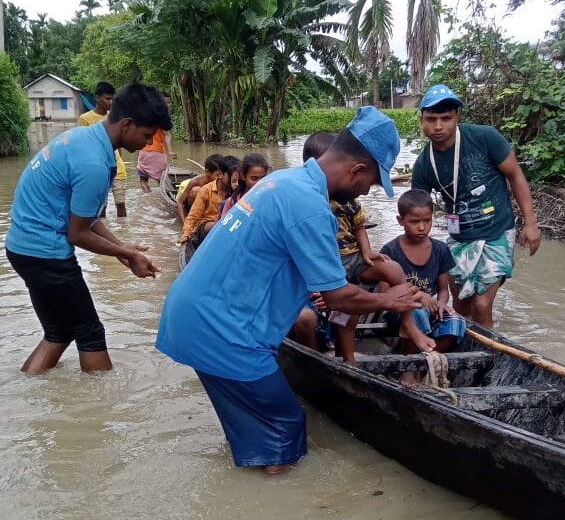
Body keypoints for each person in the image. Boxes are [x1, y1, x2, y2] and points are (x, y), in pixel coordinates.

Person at [156, 107, 422, 474]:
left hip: (192, 317)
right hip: (223, 333)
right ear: (357, 170)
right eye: (372, 183)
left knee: (258, 430)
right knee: (286, 429)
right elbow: (338, 297)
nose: (366, 191)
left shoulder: (281, 181)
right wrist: (389, 300)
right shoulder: (310, 207)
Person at [6, 84, 171, 375]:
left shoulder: (86, 138)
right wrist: (126, 254)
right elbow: (77, 233)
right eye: (146, 135)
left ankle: (27, 390)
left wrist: (122, 250)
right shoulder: (93, 162)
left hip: (22, 246)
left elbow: (87, 219)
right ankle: (101, 410)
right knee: (90, 332)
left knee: (59, 331)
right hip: (46, 252)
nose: (147, 144)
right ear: (127, 124)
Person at [411, 84, 541, 327]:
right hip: (459, 239)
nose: (438, 126)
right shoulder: (423, 164)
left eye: (446, 118)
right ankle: (465, 349)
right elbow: (415, 211)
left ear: (457, 117)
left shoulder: (484, 137)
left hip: (497, 232)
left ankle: (489, 357)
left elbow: (516, 175)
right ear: (422, 120)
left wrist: (530, 224)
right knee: (461, 305)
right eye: (431, 119)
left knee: (482, 305)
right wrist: (417, 255)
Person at [299, 132, 434, 363]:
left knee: (392, 269)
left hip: (350, 258)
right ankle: (347, 361)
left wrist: (367, 251)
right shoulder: (308, 201)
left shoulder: (348, 200)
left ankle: (408, 323)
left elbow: (359, 226)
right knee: (347, 316)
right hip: (326, 269)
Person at [380, 189, 467, 383]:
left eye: (427, 221)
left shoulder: (440, 249)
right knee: (417, 312)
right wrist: (418, 296)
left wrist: (443, 304)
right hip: (398, 311)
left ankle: (424, 359)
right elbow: (383, 293)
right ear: (400, 220)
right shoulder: (390, 250)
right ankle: (408, 366)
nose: (422, 227)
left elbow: (443, 289)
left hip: (429, 309)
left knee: (457, 320)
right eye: (414, 222)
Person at [77, 81, 128, 218]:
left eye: (112, 99)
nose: (111, 102)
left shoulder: (115, 117)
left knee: (121, 207)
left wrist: (120, 161)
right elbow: (82, 144)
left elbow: (120, 142)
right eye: (107, 98)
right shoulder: (85, 119)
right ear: (97, 98)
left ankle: (123, 233)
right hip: (97, 168)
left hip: (117, 167)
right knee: (101, 209)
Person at [179, 156, 239, 246]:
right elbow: (193, 216)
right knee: (219, 225)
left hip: (226, 226)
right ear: (220, 175)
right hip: (205, 228)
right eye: (231, 176)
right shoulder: (206, 190)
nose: (236, 182)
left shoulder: (236, 191)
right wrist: (186, 234)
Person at [137, 91, 176, 192]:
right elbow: (167, 134)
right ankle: (161, 200)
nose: (168, 105)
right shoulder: (162, 117)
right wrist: (170, 151)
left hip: (143, 152)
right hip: (157, 153)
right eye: (166, 103)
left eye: (169, 103)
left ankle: (147, 197)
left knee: (143, 180)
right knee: (162, 182)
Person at [176, 155, 223, 221]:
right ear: (207, 172)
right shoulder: (196, 182)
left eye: (222, 174)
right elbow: (180, 203)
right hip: (192, 207)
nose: (220, 178)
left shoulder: (221, 181)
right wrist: (184, 222)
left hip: (208, 207)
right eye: (218, 175)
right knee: (196, 191)